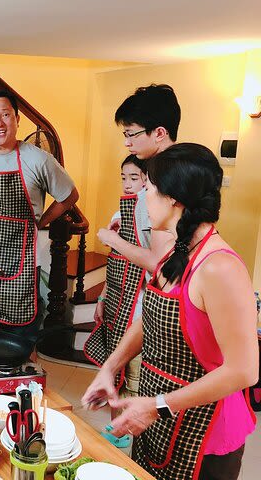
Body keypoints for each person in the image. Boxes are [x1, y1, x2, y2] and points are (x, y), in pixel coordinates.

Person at [82, 143, 258, 480]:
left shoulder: (219, 267)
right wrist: (110, 367)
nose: (142, 198)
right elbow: (150, 320)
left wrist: (158, 405)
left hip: (205, 432)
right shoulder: (178, 252)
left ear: (174, 198)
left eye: (147, 188)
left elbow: (244, 370)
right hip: (159, 417)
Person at [0, 91, 78, 335]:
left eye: (5, 115)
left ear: (17, 119)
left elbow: (69, 196)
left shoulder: (39, 160)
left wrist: (40, 222)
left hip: (20, 258)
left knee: (17, 338)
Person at [84, 155, 148, 447]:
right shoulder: (119, 212)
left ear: (148, 180)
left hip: (140, 306)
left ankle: (127, 432)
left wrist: (113, 241)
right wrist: (102, 295)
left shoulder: (150, 215)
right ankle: (115, 426)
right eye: (124, 177)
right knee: (115, 368)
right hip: (117, 300)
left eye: (134, 178)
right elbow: (115, 261)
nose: (127, 183)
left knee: (133, 369)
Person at [97, 84, 180, 272]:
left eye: (131, 134)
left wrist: (113, 241)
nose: (127, 142)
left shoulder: (167, 175)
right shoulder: (162, 167)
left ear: (159, 133)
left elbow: (157, 261)